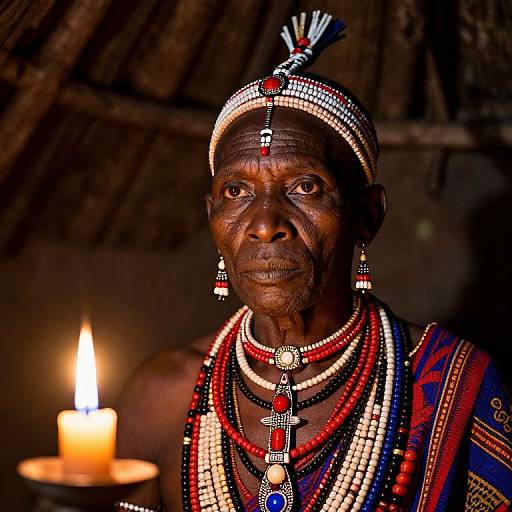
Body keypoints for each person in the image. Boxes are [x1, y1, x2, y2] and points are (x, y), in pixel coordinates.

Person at [115, 11, 512, 512]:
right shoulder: (163, 395)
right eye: (236, 191)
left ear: (367, 216)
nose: (264, 223)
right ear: (211, 214)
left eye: (305, 187)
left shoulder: (455, 388)